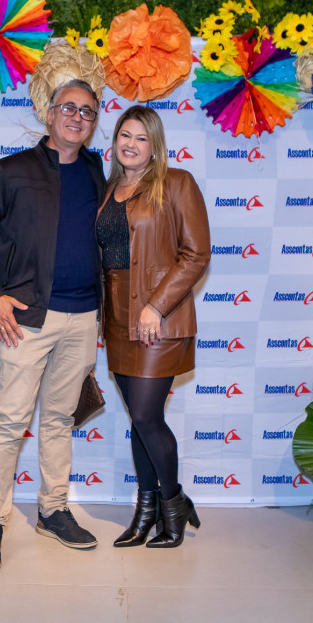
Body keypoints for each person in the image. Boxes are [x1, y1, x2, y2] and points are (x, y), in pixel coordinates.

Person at [0, 80, 106, 573]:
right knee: (9, 422)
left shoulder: (95, 170)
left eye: (88, 111)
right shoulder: (11, 171)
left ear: (94, 121)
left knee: (60, 420)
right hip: (27, 322)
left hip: (83, 318)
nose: (77, 117)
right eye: (69, 108)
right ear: (49, 113)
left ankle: (53, 510)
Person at [97, 105, 210, 548]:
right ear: (114, 141)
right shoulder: (108, 190)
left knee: (146, 416)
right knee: (141, 420)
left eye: (141, 138)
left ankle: (173, 505)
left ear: (155, 146)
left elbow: (196, 255)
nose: (131, 144)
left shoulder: (177, 183)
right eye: (125, 135)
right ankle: (146, 513)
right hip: (116, 317)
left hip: (156, 319)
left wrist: (156, 307)